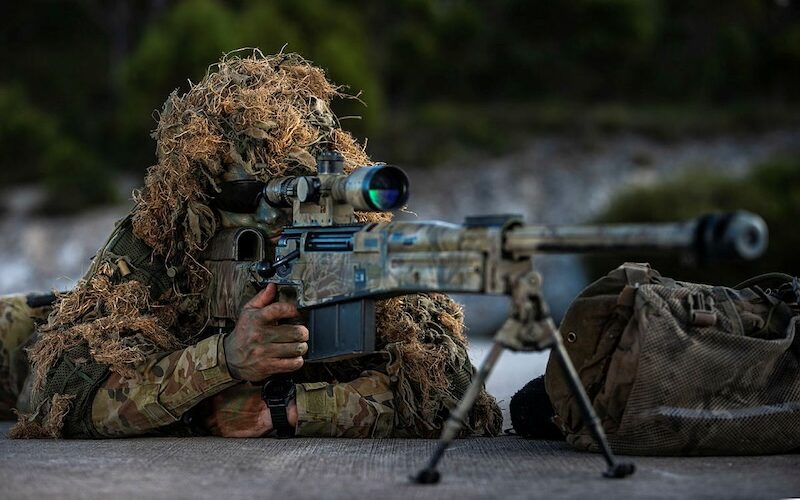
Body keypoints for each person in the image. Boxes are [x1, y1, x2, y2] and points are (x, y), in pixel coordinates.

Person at [5, 51, 501, 439]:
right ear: (200, 192)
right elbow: (56, 395)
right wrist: (223, 360)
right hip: (24, 339)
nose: (279, 220)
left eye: (299, 188)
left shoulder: (355, 242)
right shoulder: (165, 233)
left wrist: (291, 411)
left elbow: (455, 395)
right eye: (253, 196)